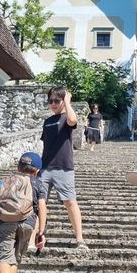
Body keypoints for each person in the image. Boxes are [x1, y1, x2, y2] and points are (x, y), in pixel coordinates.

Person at [41, 86, 89, 251]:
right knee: (39, 204)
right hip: (45, 168)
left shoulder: (66, 118)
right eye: (51, 101)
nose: (53, 104)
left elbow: (73, 121)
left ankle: (80, 239)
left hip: (63, 167)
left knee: (70, 202)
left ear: (63, 101)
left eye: (57, 100)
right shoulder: (47, 121)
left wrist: (68, 102)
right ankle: (36, 239)